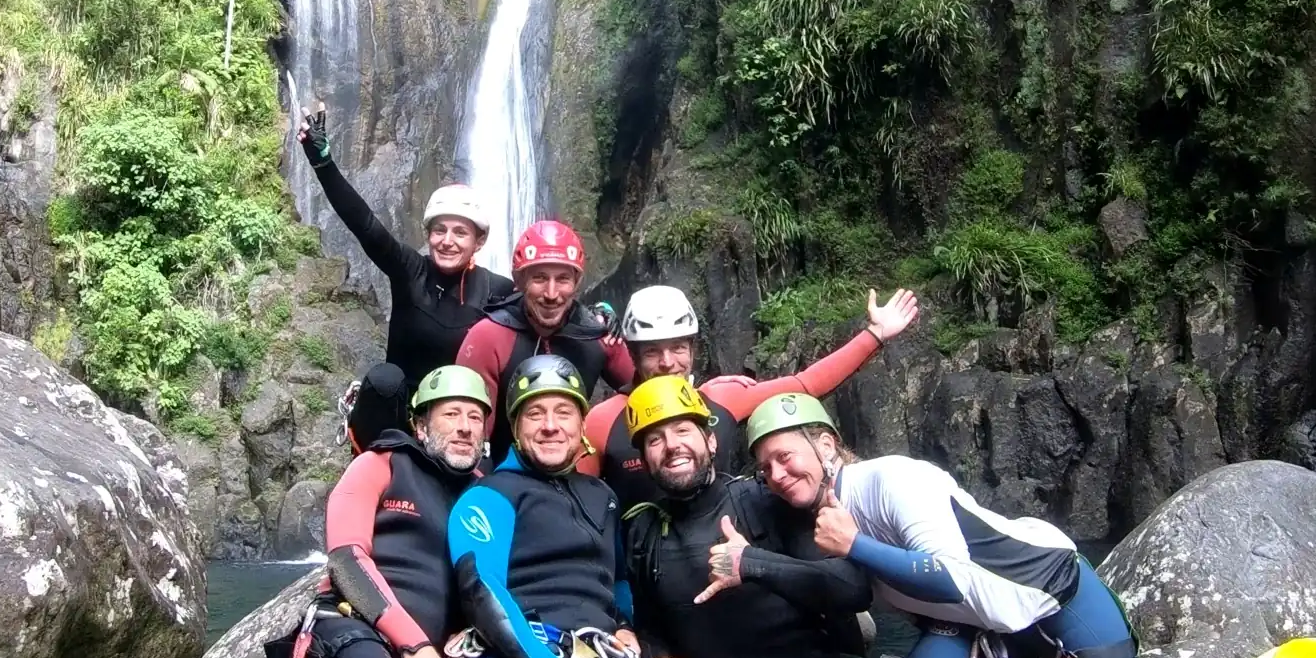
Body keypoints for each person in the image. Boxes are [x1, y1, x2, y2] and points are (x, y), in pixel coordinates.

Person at [743, 393, 1189, 658]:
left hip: (1057, 596)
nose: (776, 475)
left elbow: (949, 577)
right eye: (765, 469)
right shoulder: (826, 527)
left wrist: (855, 544)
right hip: (982, 623)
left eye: (785, 457)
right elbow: (916, 604)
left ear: (825, 445)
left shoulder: (891, 480)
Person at [444, 355, 752, 658]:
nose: (550, 425)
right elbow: (480, 586)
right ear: (515, 427)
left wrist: (625, 627)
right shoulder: (489, 496)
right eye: (535, 414)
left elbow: (618, 580)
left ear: (581, 424)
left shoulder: (602, 498)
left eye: (563, 412)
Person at [619, 375, 881, 658]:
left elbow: (852, 589)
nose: (671, 446)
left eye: (683, 430)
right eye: (655, 439)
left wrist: (752, 563)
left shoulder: (765, 498)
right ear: (645, 460)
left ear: (711, 441)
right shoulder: (643, 533)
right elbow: (650, 626)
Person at [275, 365, 493, 658]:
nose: (465, 427)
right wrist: (415, 646)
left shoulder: (487, 495)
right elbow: (346, 559)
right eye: (451, 414)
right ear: (420, 426)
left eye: (475, 417)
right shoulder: (381, 463)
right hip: (355, 628)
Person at [579, 285, 919, 511]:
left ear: (693, 350)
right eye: (653, 352)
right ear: (633, 355)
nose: (668, 363)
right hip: (642, 568)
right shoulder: (603, 420)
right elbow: (576, 497)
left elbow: (805, 385)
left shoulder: (721, 398)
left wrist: (876, 334)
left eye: (678, 348)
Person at [297, 102, 514, 452]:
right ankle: (380, 463)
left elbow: (547, 302)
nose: (447, 241)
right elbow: (365, 225)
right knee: (384, 380)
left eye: (460, 232)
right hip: (398, 420)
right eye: (439, 230)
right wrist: (324, 164)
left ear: (479, 242)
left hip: (456, 427)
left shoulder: (497, 291)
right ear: (428, 234)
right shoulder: (410, 270)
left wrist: (595, 319)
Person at [456, 222, 634, 462]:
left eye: (563, 279)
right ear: (519, 281)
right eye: (539, 278)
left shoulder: (599, 334)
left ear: (576, 283)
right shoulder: (489, 336)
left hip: (577, 467)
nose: (551, 294)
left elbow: (650, 391)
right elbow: (469, 438)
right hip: (502, 469)